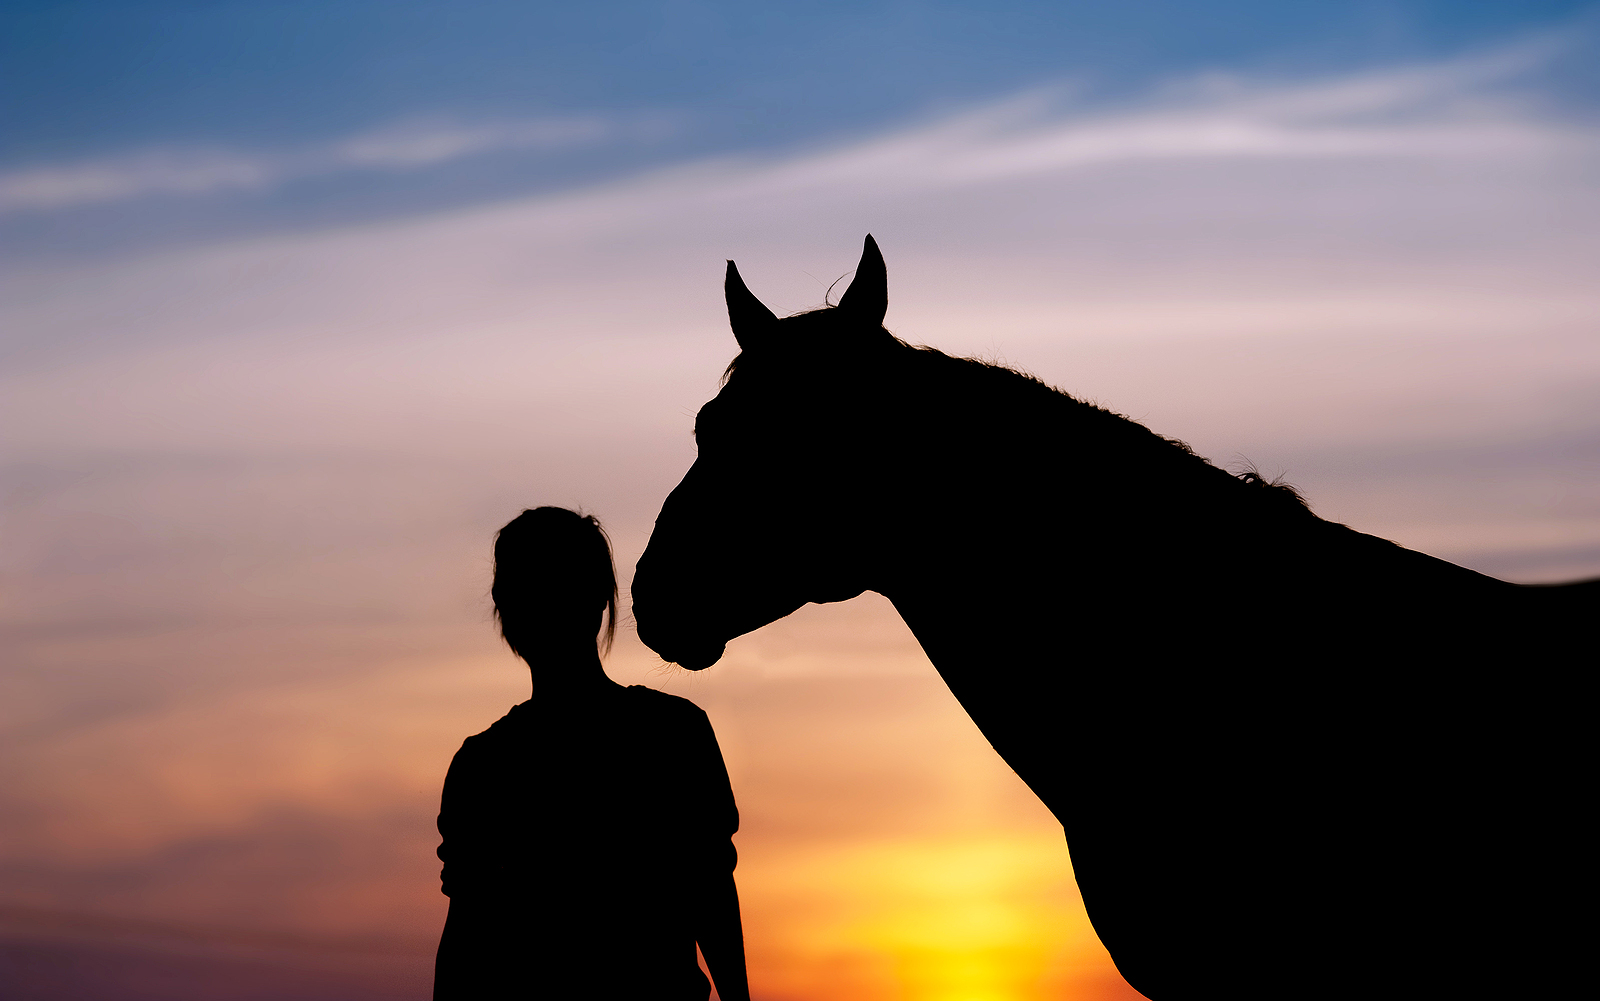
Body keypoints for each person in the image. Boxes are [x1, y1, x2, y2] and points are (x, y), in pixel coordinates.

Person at [433, 507, 750, 1001]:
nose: (539, 605)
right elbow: (709, 893)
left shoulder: (484, 765)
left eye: (551, 585)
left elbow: (465, 942)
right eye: (527, 587)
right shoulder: (673, 733)